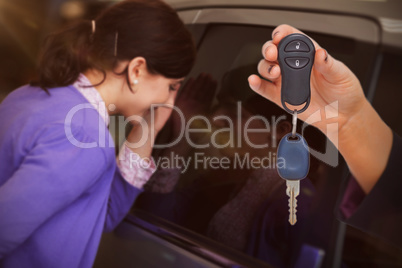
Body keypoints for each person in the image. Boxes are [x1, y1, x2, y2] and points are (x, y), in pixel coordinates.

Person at [0, 0, 196, 267]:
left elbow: (96, 216)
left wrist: (148, 129)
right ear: (136, 69)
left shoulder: (29, 95)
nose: (168, 100)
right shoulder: (85, 136)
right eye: (172, 86)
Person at [248, 24, 402, 248]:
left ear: (280, 131)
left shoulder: (285, 204)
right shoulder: (237, 182)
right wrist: (349, 123)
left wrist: (349, 123)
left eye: (238, 116)